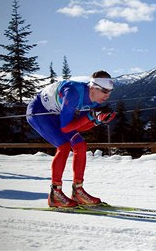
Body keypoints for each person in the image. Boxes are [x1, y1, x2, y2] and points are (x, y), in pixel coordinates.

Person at [26, 70, 117, 207]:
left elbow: (78, 127)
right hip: (39, 112)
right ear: (93, 87)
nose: (108, 95)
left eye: (110, 91)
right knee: (64, 146)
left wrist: (97, 121)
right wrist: (90, 117)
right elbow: (66, 128)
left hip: (57, 114)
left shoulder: (95, 99)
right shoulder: (73, 93)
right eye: (105, 91)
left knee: (80, 145)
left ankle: (78, 191)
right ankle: (55, 194)